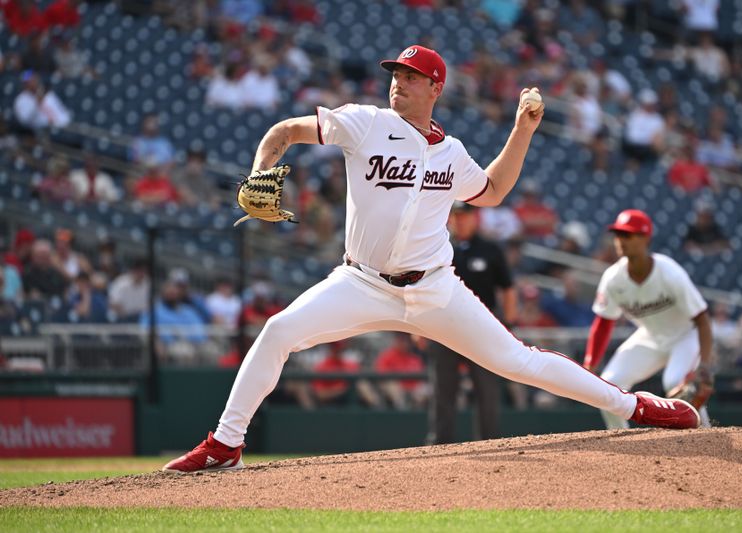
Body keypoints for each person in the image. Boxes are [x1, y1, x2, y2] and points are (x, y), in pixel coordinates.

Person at [163, 44, 701, 473]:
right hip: (362, 283)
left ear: (435, 87)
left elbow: (489, 192)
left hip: (434, 288)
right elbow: (286, 131)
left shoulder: (451, 150)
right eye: (395, 73)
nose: (398, 81)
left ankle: (640, 407)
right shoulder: (365, 122)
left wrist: (523, 130)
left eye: (411, 76)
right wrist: (262, 169)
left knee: (517, 361)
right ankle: (225, 443)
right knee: (278, 332)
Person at [582, 209, 714, 429]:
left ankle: (706, 438)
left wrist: (706, 365)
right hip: (650, 336)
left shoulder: (669, 273)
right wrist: (590, 364)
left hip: (685, 336)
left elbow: (702, 320)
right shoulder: (613, 278)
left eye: (628, 235)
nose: (621, 241)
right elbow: (604, 323)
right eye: (618, 235)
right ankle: (624, 451)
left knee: (675, 382)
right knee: (608, 386)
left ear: (645, 238)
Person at [426, 201, 517, 444]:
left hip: (482, 328)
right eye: (455, 215)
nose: (460, 220)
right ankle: (439, 444)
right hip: (444, 326)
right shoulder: (439, 248)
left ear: (475, 217)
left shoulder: (490, 250)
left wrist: (508, 324)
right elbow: (422, 287)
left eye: (464, 215)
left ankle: (489, 441)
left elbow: (508, 289)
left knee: (486, 388)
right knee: (443, 388)